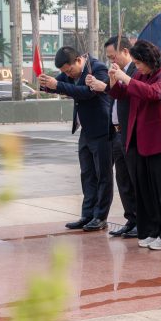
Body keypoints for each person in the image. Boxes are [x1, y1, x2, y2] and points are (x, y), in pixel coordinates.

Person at [105, 40, 161, 250]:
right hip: (143, 142)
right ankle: (154, 230)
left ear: (149, 60)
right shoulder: (141, 76)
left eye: (139, 63)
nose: (137, 67)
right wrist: (114, 80)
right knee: (147, 191)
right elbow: (123, 94)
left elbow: (152, 93)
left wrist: (126, 78)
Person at [39, 47, 113, 232]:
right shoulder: (71, 72)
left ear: (79, 60)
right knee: (87, 174)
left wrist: (57, 85)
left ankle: (100, 216)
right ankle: (87, 214)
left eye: (69, 70)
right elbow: (60, 84)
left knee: (103, 175)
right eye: (64, 72)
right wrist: (46, 84)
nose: (67, 74)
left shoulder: (98, 68)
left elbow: (87, 92)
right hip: (86, 130)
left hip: (102, 128)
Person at [93, 36, 138, 238]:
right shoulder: (116, 72)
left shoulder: (135, 72)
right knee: (123, 179)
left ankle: (140, 219)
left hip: (130, 132)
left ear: (126, 52)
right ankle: (131, 218)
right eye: (109, 57)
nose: (112, 60)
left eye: (114, 56)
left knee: (134, 178)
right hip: (117, 132)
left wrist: (114, 82)